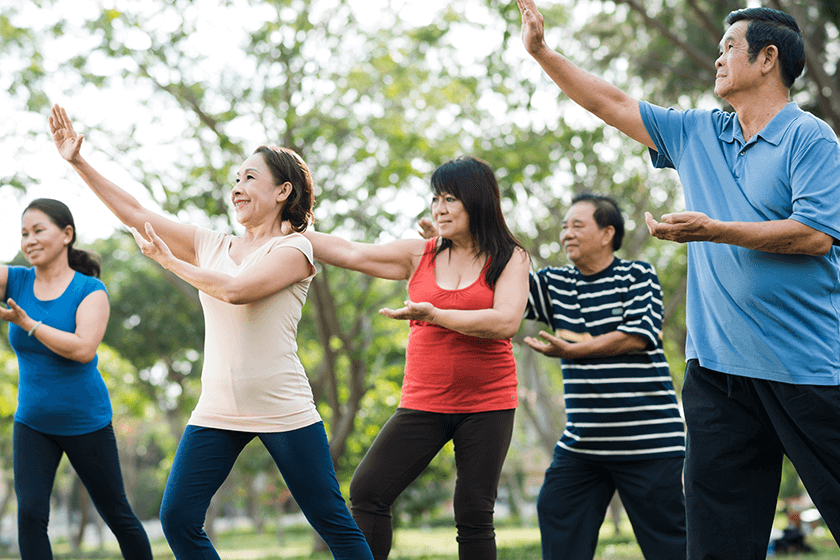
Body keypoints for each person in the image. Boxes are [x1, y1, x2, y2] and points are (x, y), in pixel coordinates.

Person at [518, 1, 840, 557]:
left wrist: (716, 231)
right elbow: (610, 102)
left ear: (768, 58)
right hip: (717, 373)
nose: (718, 58)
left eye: (729, 47)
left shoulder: (810, 140)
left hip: (806, 367)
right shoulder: (697, 133)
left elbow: (814, 235)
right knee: (717, 542)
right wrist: (542, 53)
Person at [48, 104, 373, 560]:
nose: (238, 188)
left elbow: (238, 291)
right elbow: (135, 211)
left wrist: (169, 261)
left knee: (333, 523)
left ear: (283, 191)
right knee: (177, 519)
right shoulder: (212, 245)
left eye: (250, 179)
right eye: (236, 179)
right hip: (218, 408)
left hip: (283, 408)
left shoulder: (295, 248)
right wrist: (78, 162)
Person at [300, 155, 530, 560]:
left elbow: (506, 321)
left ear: (476, 201)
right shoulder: (418, 254)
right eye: (435, 199)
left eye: (449, 199)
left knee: (474, 511)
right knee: (368, 491)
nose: (438, 209)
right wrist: (290, 229)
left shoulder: (511, 257)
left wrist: (435, 314)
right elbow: (352, 252)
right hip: (424, 402)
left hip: (488, 403)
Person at [522, 193, 685, 559]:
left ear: (607, 232)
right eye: (564, 227)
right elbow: (500, 294)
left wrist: (572, 350)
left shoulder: (636, 274)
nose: (567, 234)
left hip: (650, 443)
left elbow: (638, 335)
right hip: (584, 446)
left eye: (577, 225)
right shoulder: (554, 284)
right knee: (556, 510)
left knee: (671, 545)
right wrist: (452, 249)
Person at [0, 198, 153, 560]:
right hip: (32, 423)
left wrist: (30, 325)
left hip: (86, 423)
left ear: (67, 234)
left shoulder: (90, 291)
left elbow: (83, 348)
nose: (29, 240)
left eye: (39, 230)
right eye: (24, 233)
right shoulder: (15, 280)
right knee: (32, 516)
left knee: (117, 515)